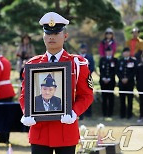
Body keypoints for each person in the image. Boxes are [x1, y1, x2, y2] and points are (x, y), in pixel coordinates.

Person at [20, 12, 93, 154]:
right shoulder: (33, 65)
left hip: (65, 131)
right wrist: (26, 113)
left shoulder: (77, 64)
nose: (51, 37)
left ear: (65, 36)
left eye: (56, 32)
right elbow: (24, 96)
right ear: (43, 36)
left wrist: (74, 112)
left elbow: (86, 95)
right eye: (47, 33)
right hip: (39, 132)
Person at [117, 47, 137, 119]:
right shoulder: (120, 61)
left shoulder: (133, 61)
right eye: (124, 52)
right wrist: (122, 78)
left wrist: (127, 78)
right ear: (123, 53)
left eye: (127, 52)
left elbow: (134, 71)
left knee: (130, 99)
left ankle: (129, 114)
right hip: (121, 83)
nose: (126, 53)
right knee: (122, 99)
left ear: (129, 53)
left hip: (130, 83)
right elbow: (117, 71)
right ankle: (122, 114)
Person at [99, 47, 118, 121]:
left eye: (110, 51)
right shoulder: (102, 59)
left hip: (111, 81)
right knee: (104, 97)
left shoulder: (115, 60)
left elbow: (115, 70)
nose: (109, 52)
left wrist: (109, 78)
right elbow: (101, 69)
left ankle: (110, 113)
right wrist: (103, 78)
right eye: (107, 51)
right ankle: (104, 113)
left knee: (111, 97)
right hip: (103, 81)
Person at [79, 43, 95, 119]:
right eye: (82, 48)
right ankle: (80, 114)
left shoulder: (89, 57)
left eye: (84, 48)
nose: (83, 50)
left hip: (87, 79)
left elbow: (92, 67)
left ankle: (89, 113)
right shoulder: (77, 57)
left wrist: (87, 75)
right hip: (78, 79)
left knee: (88, 94)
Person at [136, 51, 143, 122]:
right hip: (141, 88)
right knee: (141, 103)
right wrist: (138, 87)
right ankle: (141, 116)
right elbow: (137, 78)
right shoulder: (139, 67)